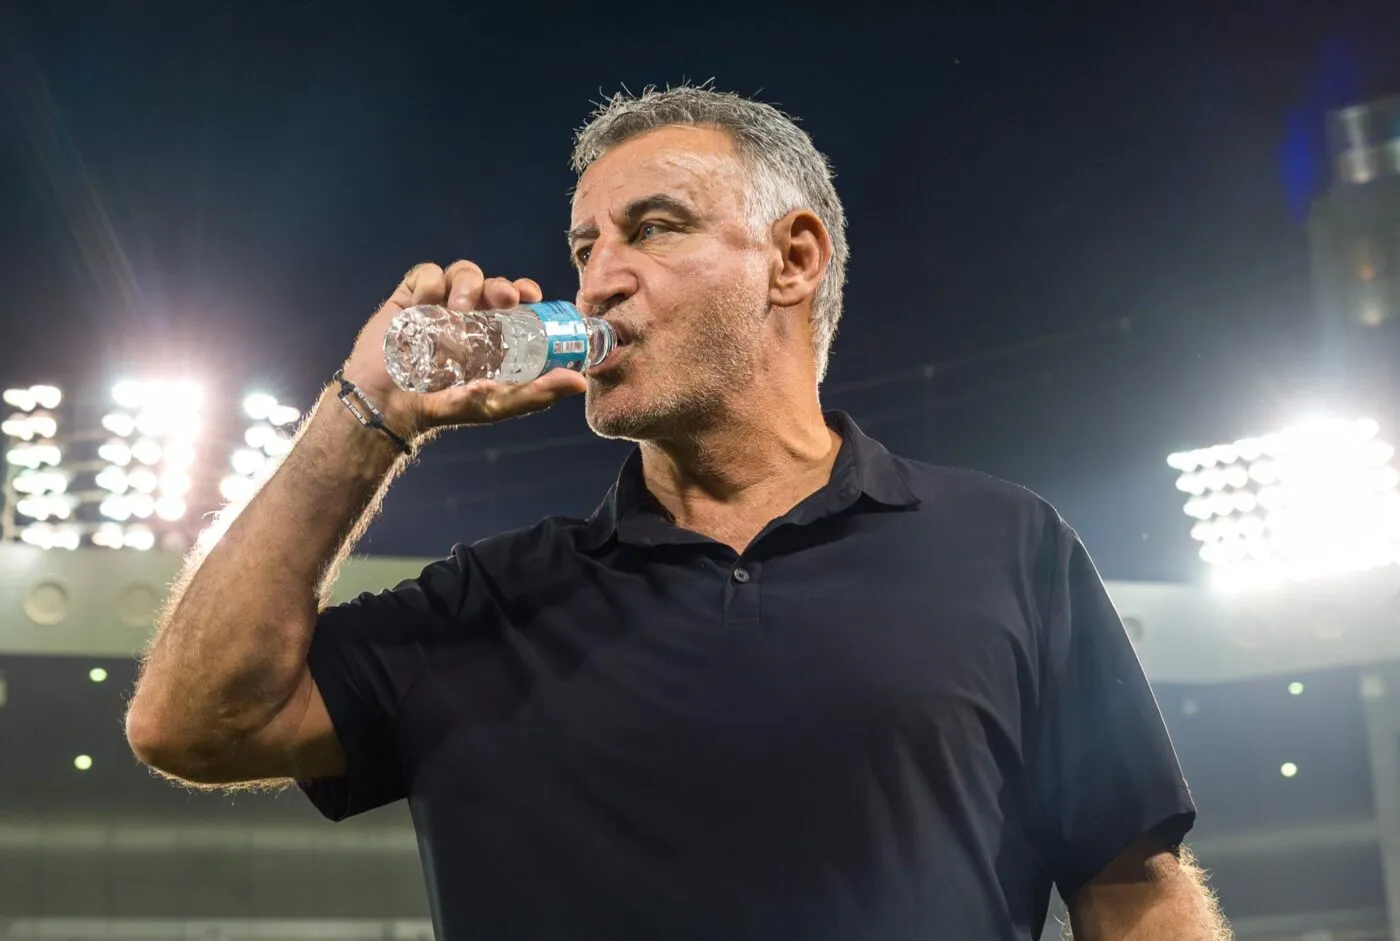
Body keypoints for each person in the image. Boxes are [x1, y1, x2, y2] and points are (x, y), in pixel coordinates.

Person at [126, 85, 1229, 940]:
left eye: (651, 229)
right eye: (584, 247)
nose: (597, 280)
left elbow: (1131, 888)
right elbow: (191, 722)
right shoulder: (493, 601)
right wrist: (364, 414)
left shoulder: (1002, 547)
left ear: (791, 260)